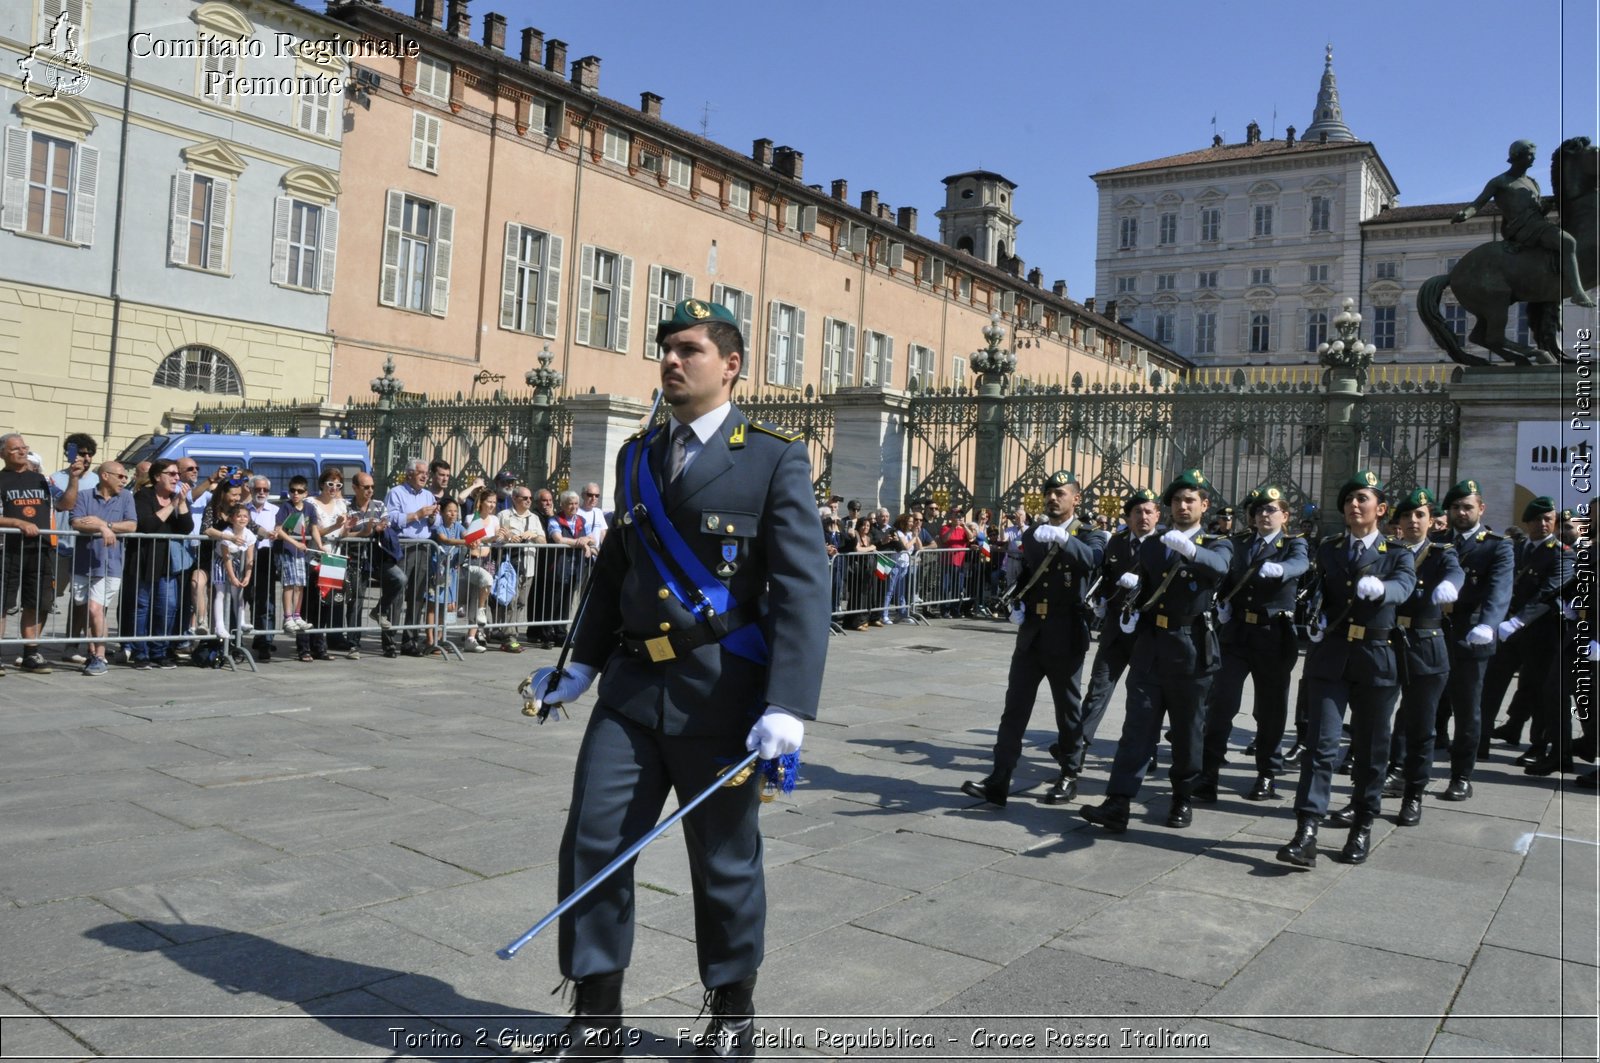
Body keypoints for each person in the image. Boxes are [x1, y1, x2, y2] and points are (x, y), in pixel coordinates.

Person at [529, 299, 829, 1059]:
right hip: (631, 692)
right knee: (593, 844)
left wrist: (789, 703)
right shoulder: (636, 455)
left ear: (730, 364)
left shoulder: (772, 456)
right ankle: (596, 1020)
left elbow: (802, 588)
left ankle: (732, 1014)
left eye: (689, 349)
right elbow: (615, 572)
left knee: (725, 861)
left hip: (724, 694)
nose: (671, 360)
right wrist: (582, 665)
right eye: (664, 348)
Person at [1277, 471, 1417, 869]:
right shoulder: (1331, 548)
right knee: (1320, 746)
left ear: (1381, 509)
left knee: (1372, 749)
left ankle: (1362, 823)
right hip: (1331, 655)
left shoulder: (1397, 552)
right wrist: (1316, 617)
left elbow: (1404, 586)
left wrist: (1383, 590)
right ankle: (1306, 830)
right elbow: (1319, 589)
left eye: (1362, 499)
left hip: (1376, 656)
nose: (1354, 506)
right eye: (1348, 500)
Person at [1080, 469, 1232, 833]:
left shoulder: (1216, 543)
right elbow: (1145, 584)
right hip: (1151, 646)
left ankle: (1181, 796)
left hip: (1192, 649)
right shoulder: (1153, 543)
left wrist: (1191, 550)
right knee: (1137, 727)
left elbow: (1221, 568)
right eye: (1177, 500)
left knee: (1187, 730)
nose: (1183, 506)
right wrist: (1130, 607)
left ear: (1204, 505)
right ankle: (1118, 801)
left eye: (1190, 500)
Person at [961, 470, 1105, 807]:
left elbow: (1093, 560)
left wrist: (1065, 540)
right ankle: (1000, 777)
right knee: (1014, 710)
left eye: (1061, 493)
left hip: (1066, 633)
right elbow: (1027, 573)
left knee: (1067, 711)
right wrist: (1018, 602)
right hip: (1032, 633)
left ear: (1076, 498)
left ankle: (1069, 774)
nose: (1053, 498)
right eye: (1049, 493)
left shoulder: (1090, 534)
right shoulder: (1034, 533)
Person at [1336, 488, 1462, 828]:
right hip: (1388, 646)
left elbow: (1456, 572)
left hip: (1426, 647)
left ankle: (1413, 794)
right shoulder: (1388, 552)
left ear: (1433, 521)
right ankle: (1364, 798)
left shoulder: (1441, 552)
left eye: (1419, 515)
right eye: (1406, 516)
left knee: (1421, 728)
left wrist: (1451, 585)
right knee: (1373, 730)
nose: (1412, 521)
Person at [1195, 486, 1310, 803]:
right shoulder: (1238, 543)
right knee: (1222, 704)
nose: (1264, 514)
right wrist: (1221, 602)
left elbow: (1300, 565)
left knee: (1271, 710)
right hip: (1236, 634)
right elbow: (1223, 572)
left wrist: (1282, 569)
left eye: (1271, 509)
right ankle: (1209, 772)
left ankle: (1267, 775)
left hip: (1273, 635)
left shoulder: (1293, 544)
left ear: (1284, 516)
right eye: (1259, 509)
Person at [1432, 478, 1513, 801]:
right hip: (1435, 631)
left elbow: (1499, 590)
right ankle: (1408, 768)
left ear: (1481, 508)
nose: (1461, 512)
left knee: (1468, 709)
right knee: (1421, 706)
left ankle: (1461, 775)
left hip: (1472, 635)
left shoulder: (1496, 545)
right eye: (1455, 507)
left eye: (1468, 507)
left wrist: (1489, 624)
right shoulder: (1438, 540)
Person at [1481, 496, 1574, 774]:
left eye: (1549, 519)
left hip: (1541, 633)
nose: (1544, 524)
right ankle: (1480, 740)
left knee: (1537, 693)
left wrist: (1519, 621)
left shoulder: (1562, 553)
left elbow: (1548, 591)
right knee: (1491, 686)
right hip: (1507, 630)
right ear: (1527, 522)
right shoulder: (1515, 547)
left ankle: (1537, 746)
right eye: (1538, 519)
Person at [1075, 489, 1163, 782]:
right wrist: (1101, 599)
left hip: (1147, 633)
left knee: (1143, 698)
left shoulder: (1165, 545)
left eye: (1149, 512)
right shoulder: (1117, 541)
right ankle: (1078, 747)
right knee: (1098, 688)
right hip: (1115, 630)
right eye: (1137, 512)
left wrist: (1144, 584)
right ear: (1129, 517)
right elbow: (1107, 574)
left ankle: (1148, 749)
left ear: (1158, 516)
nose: (1143, 517)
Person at [1454, 139, 1596, 307]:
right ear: (1517, 156)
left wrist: (1545, 207)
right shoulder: (1500, 182)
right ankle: (1578, 292)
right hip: (1522, 228)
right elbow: (1477, 204)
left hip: (1538, 224)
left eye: (1533, 155)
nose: (1533, 159)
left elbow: (1536, 209)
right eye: (1530, 155)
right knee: (1568, 242)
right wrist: (1465, 214)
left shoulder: (1533, 182)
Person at [0, 432, 84, 673]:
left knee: (35, 603)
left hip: (40, 549)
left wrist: (74, 479)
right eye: (15, 448)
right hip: (8, 550)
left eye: (24, 447)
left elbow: (65, 504)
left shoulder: (42, 480)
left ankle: (31, 653)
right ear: (3, 453)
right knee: (2, 604)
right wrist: (17, 523)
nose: (22, 451)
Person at [67, 460, 134, 676]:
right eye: (121, 476)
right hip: (84, 562)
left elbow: (132, 525)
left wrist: (106, 526)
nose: (124, 480)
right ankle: (92, 650)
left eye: (126, 477)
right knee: (88, 609)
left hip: (110, 563)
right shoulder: (85, 495)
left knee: (96, 609)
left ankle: (99, 656)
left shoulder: (126, 497)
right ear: (105, 476)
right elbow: (76, 522)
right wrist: (102, 527)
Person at [127, 458, 193, 669]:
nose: (176, 478)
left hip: (167, 562)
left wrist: (181, 503)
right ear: (157, 477)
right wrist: (172, 504)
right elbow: (147, 525)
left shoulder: (176, 498)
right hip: (144, 558)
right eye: (171, 474)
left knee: (167, 607)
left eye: (177, 474)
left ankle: (160, 651)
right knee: (142, 607)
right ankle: (140, 652)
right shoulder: (143, 496)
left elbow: (185, 528)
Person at [51, 432, 99, 664]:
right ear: (70, 453)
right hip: (58, 548)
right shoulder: (53, 479)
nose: (86, 458)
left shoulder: (99, 481)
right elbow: (62, 507)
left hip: (85, 548)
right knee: (46, 599)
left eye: (90, 454)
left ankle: (72, 646)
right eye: (81, 453)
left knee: (80, 601)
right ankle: (30, 646)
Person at [384, 460, 440, 657]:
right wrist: (416, 514)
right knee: (397, 595)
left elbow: (435, 524)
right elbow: (390, 518)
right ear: (409, 474)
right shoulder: (396, 492)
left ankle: (410, 641)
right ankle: (390, 641)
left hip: (423, 547)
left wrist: (433, 517)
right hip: (403, 546)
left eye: (426, 473)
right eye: (420, 473)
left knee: (417, 596)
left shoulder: (428, 495)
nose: (425, 476)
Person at [495, 486, 545, 653]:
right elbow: (497, 538)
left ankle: (511, 630)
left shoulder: (534, 518)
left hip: (528, 566)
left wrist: (534, 535)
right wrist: (509, 537)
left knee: (521, 602)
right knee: (510, 601)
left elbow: (544, 542)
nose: (529, 501)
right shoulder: (504, 516)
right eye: (525, 498)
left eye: (530, 498)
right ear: (515, 498)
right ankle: (509, 636)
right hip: (510, 566)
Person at [546, 489, 596, 645]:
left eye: (575, 503)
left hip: (576, 567)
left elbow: (591, 539)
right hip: (559, 566)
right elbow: (559, 539)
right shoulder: (555, 519)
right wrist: (581, 543)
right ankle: (547, 634)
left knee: (566, 601)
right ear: (562, 505)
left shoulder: (581, 520)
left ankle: (561, 634)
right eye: (570, 504)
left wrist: (586, 542)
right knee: (553, 600)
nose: (574, 507)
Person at [275, 477, 314, 649]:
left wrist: (319, 545)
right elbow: (279, 530)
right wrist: (295, 542)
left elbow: (314, 528)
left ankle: (297, 615)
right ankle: (288, 617)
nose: (295, 494)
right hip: (287, 550)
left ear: (306, 493)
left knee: (300, 584)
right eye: (292, 491)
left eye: (299, 491)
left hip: (301, 553)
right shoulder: (286, 507)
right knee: (289, 584)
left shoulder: (310, 508)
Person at [245, 475, 281, 661]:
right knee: (244, 598)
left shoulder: (276, 510)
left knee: (266, 601)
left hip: (267, 558)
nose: (261, 493)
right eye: (258, 489)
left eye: (265, 490)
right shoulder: (243, 510)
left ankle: (265, 641)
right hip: (244, 559)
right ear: (250, 490)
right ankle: (236, 639)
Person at [212, 503, 257, 643]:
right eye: (239, 516)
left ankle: (241, 621)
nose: (242, 519)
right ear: (232, 519)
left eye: (245, 516)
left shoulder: (249, 534)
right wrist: (231, 577)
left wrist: (247, 576)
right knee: (220, 593)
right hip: (221, 561)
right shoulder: (227, 533)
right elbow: (225, 558)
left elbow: (250, 558)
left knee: (238, 593)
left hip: (236, 561)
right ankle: (219, 625)